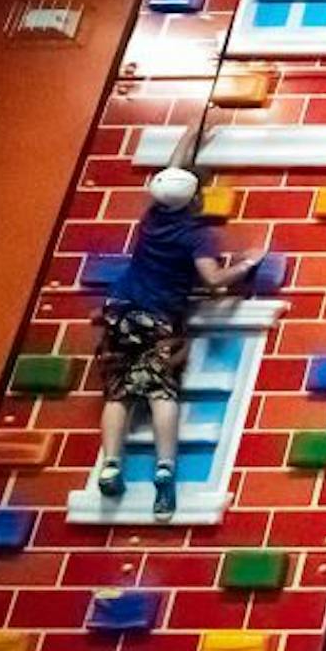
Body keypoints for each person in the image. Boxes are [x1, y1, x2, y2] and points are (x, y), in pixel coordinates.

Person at [94, 166, 262, 520]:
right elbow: (213, 279)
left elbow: (177, 164)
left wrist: (191, 127)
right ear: (196, 199)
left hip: (120, 310)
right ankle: (165, 468)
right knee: (161, 391)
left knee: (118, 390)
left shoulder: (152, 218)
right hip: (158, 316)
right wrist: (247, 263)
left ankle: (110, 465)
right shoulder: (195, 235)